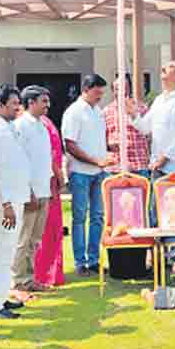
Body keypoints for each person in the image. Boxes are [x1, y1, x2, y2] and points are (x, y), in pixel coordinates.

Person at [130, 60, 175, 275]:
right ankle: (156, 254)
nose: (162, 70)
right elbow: (145, 127)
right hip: (157, 166)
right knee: (155, 212)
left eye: (167, 67)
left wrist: (165, 158)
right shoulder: (159, 100)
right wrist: (133, 115)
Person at [0, 84, 31, 320]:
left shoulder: (8, 127)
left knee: (7, 250)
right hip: (3, 203)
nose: (18, 107)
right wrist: (6, 203)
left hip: (15, 198)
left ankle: (1, 297)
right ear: (0, 105)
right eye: (13, 104)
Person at [61, 73, 112, 276]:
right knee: (80, 217)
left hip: (99, 173)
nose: (100, 97)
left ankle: (94, 259)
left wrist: (106, 156)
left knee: (98, 217)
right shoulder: (74, 112)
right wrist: (95, 161)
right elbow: (70, 145)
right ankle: (80, 261)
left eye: (101, 93)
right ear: (86, 90)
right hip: (81, 172)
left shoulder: (97, 110)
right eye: (97, 93)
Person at [12, 86, 56, 294]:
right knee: (23, 239)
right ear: (31, 103)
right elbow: (18, 162)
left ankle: (29, 280)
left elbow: (43, 160)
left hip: (43, 190)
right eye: (43, 101)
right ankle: (17, 282)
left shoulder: (41, 126)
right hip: (28, 193)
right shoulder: (21, 126)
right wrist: (27, 191)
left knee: (35, 240)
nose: (47, 105)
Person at [33, 112, 67, 287]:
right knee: (45, 230)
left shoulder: (43, 123)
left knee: (51, 229)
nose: (47, 105)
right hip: (47, 182)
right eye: (43, 101)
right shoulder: (35, 125)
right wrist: (61, 178)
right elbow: (50, 156)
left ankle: (50, 272)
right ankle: (43, 273)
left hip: (50, 181)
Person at [104, 75, 150, 177]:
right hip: (115, 167)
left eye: (125, 87)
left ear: (129, 89)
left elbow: (149, 134)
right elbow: (102, 139)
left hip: (138, 165)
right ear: (113, 91)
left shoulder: (141, 108)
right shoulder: (106, 111)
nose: (121, 91)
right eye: (117, 89)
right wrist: (109, 146)